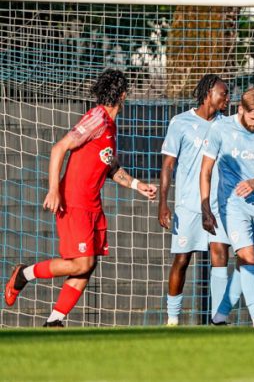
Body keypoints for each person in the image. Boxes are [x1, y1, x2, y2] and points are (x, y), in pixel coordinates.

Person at [4, 69, 158, 327]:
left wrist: (137, 185)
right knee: (81, 262)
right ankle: (24, 274)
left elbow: (110, 167)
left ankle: (55, 320)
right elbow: (59, 148)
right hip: (74, 201)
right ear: (122, 95)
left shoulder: (110, 126)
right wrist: (54, 190)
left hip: (92, 204)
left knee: (88, 263)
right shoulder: (97, 117)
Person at [200, 88, 254, 327]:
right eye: (253, 117)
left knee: (245, 263)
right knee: (247, 256)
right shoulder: (220, 128)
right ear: (240, 110)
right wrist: (205, 207)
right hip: (232, 204)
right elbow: (205, 170)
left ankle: (220, 315)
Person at [158, 74, 230, 326]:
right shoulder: (180, 122)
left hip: (218, 205)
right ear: (209, 93)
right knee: (182, 259)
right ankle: (172, 319)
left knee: (220, 254)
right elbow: (168, 165)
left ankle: (219, 319)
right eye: (223, 93)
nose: (227, 98)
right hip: (188, 205)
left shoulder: (227, 125)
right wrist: (163, 202)